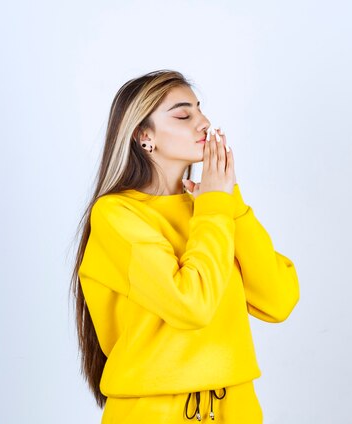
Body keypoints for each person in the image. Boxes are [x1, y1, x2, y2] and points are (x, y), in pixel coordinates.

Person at [70, 69, 300, 423]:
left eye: (199, 109)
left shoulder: (212, 210)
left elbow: (279, 300)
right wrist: (215, 209)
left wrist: (230, 204)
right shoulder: (116, 215)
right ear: (144, 136)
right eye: (183, 114)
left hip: (236, 407)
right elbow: (191, 305)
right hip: (154, 412)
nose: (203, 122)